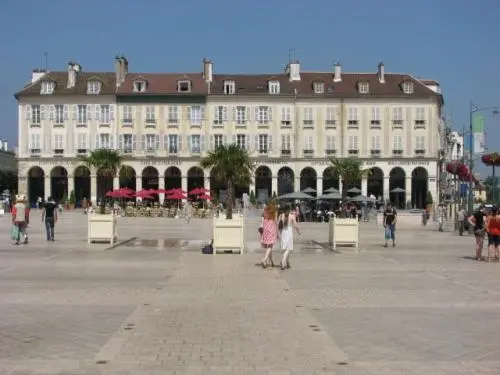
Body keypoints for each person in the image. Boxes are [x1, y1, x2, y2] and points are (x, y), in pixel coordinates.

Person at [278, 206, 301, 270]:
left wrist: (279, 234)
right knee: (288, 249)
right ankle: (283, 262)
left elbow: (278, 225)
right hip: (289, 232)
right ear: (289, 209)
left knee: (285, 249)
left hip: (283, 232)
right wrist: (299, 232)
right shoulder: (291, 216)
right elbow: (296, 225)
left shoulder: (280, 216)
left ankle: (287, 263)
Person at [258, 203, 278, 268]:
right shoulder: (274, 212)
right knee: (270, 246)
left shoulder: (265, 211)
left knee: (268, 247)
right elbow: (276, 221)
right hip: (271, 229)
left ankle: (272, 262)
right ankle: (265, 259)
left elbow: (262, 220)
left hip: (265, 228)